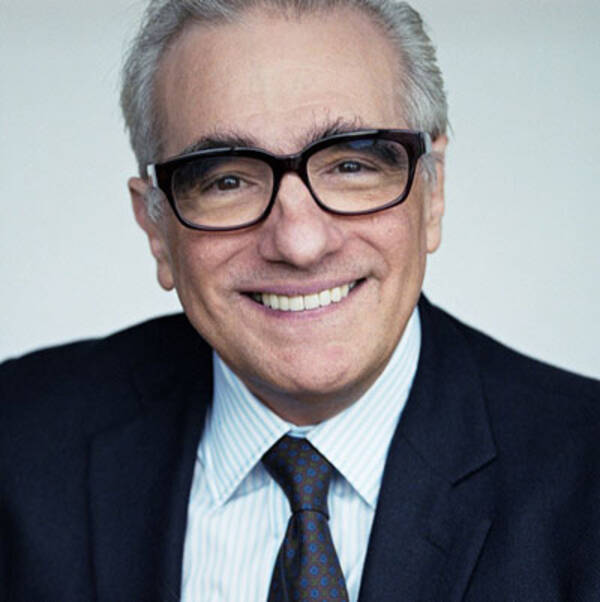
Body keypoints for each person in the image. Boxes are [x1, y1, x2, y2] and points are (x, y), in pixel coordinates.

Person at [1, 0, 598, 600]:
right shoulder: (18, 439)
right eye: (227, 180)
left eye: (351, 165)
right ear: (156, 226)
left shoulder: (585, 473)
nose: (299, 243)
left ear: (432, 190)